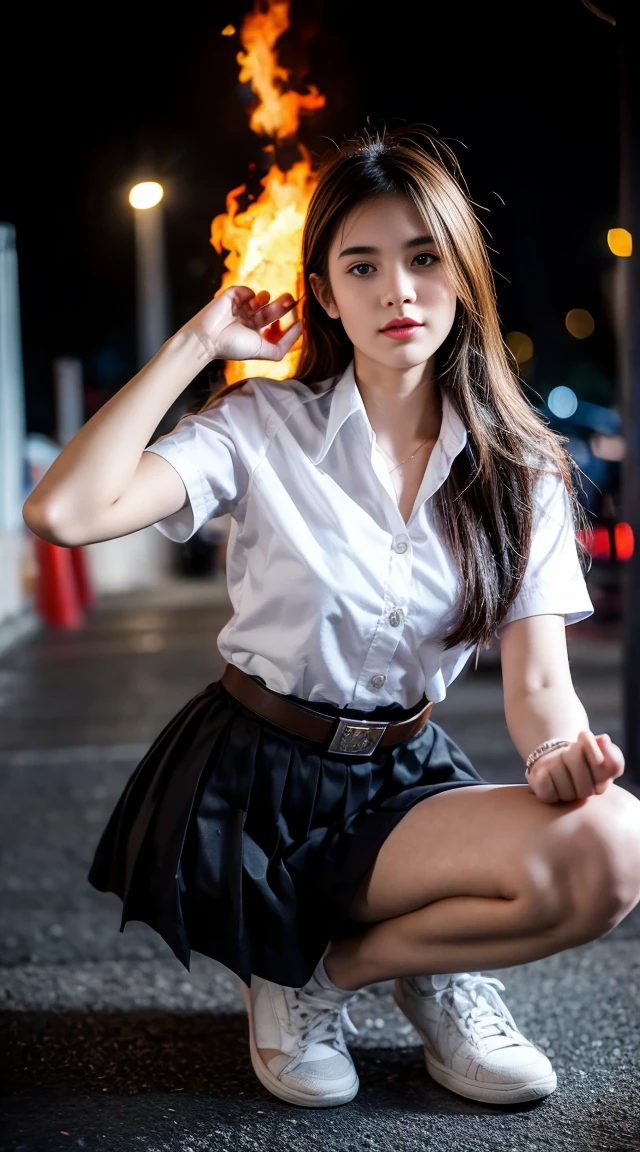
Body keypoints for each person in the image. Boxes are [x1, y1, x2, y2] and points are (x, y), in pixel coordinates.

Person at [23, 125, 640, 1111]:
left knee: (615, 844)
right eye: (363, 265)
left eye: (423, 258)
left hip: (400, 777)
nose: (397, 289)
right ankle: (317, 960)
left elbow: (538, 690)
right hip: (257, 783)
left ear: (462, 276)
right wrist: (196, 343)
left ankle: (335, 971)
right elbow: (63, 511)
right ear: (324, 292)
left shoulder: (521, 471)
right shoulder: (261, 427)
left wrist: (562, 757)